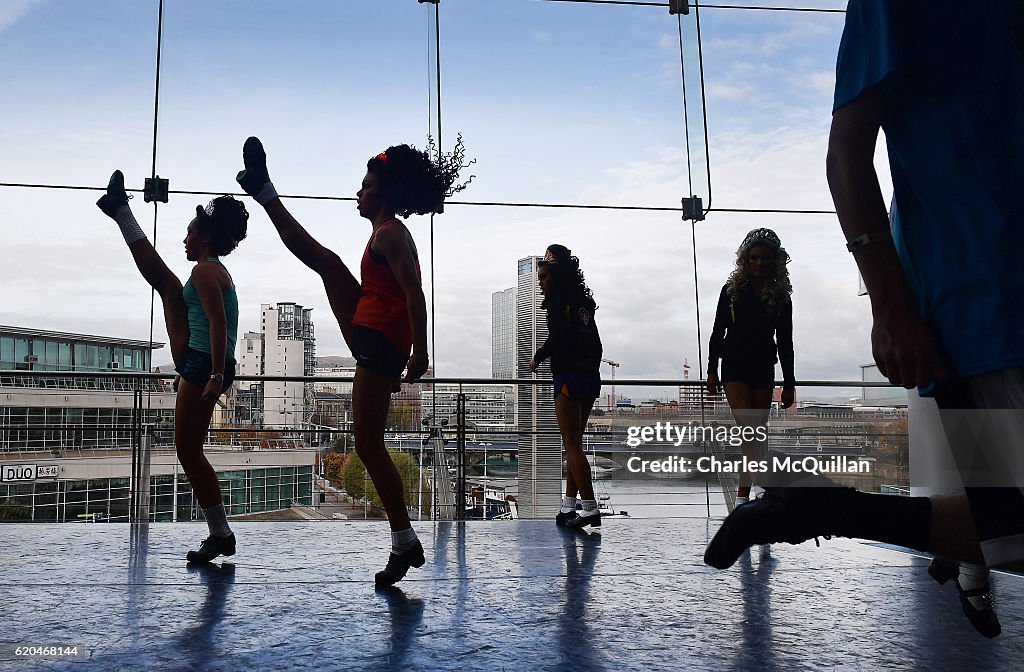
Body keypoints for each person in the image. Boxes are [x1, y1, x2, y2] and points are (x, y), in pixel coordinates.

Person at [705, 0, 1024, 639]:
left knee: (1009, 525)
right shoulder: (737, 292)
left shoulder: (772, 297)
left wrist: (791, 375)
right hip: (987, 304)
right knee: (1008, 524)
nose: (763, 263)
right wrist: (892, 304)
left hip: (981, 303)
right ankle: (804, 504)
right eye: (757, 255)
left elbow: (786, 335)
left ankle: (820, 508)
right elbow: (846, 152)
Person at [236, 136, 469, 585]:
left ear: (384, 192)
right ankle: (265, 191)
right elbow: (401, 292)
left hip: (379, 342)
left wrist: (420, 352)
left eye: (365, 185)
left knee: (367, 444)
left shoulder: (392, 234)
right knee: (327, 262)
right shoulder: (384, 234)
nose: (357, 193)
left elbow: (414, 293)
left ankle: (405, 541)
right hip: (374, 331)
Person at [96, 171, 247, 563]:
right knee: (165, 282)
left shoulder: (204, 271)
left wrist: (214, 375)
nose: (185, 238)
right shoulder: (213, 272)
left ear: (207, 238)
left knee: (189, 452)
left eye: (190, 232)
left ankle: (221, 533)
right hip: (203, 363)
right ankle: (120, 212)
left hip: (200, 363)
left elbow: (219, 325)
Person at [707, 228, 795, 513]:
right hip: (734, 365)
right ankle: (745, 497)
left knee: (758, 431)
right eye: (754, 257)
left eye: (765, 258)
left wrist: (790, 382)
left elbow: (785, 341)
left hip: (762, 366)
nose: (759, 262)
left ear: (775, 261)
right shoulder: (731, 292)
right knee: (751, 431)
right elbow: (717, 332)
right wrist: (711, 370)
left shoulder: (781, 297)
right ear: (746, 259)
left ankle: (753, 492)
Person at [530, 245, 603, 530]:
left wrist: (538, 356)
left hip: (568, 375)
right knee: (577, 445)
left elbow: (558, 338)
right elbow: (597, 344)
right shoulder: (583, 302)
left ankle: (590, 507)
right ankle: (568, 505)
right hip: (589, 375)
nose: (540, 281)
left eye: (544, 276)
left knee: (571, 445)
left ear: (556, 276)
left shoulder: (558, 302)